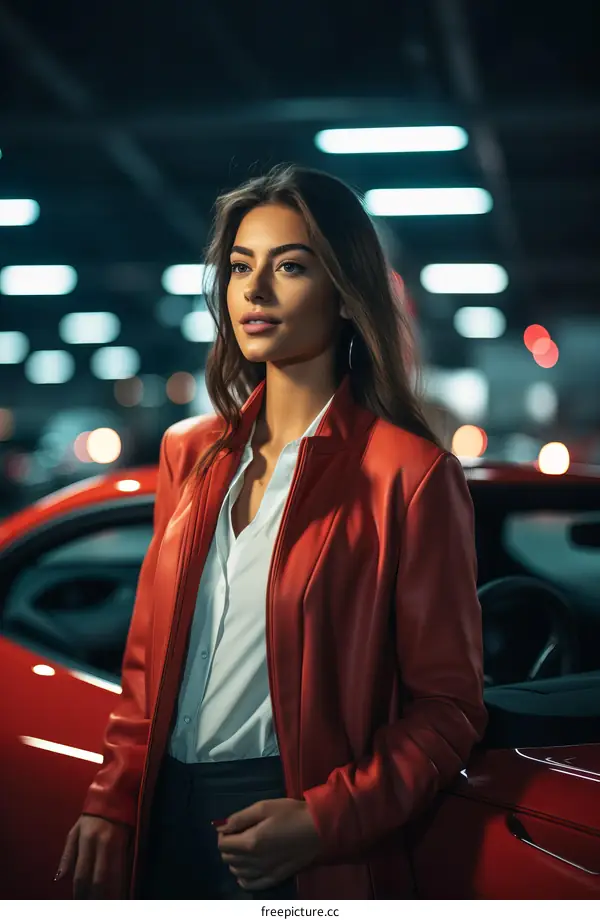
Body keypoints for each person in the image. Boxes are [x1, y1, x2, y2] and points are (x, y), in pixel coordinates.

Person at [55, 165, 487, 899]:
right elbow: (147, 664)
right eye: (239, 267)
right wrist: (113, 798)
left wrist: (325, 820)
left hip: (290, 823)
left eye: (289, 266)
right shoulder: (191, 453)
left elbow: (449, 710)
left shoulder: (409, 476)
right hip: (163, 814)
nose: (254, 291)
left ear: (344, 293)